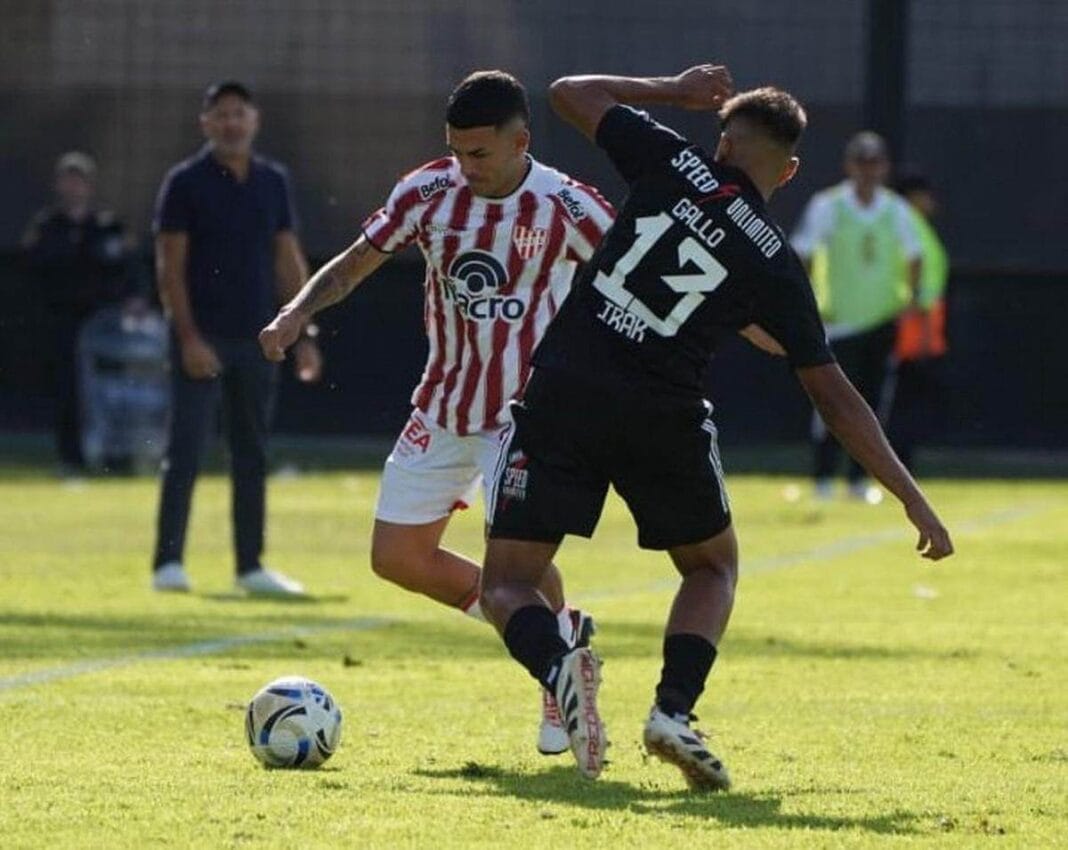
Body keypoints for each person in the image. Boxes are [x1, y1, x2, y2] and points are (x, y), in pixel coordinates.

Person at [477, 65, 954, 789]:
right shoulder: (777, 266)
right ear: (788, 171)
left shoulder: (675, 160)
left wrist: (673, 90)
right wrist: (910, 496)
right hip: (661, 414)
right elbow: (835, 397)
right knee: (712, 567)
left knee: (507, 586)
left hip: (568, 389)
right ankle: (673, 710)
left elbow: (569, 92)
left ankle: (557, 663)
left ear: (724, 142)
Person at [259, 70, 615, 756]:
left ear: (521, 142)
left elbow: (634, 272)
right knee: (397, 557)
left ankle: (555, 674)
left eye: (479, 154)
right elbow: (357, 261)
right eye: (456, 150)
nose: (465, 167)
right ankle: (559, 637)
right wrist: (295, 312)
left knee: (522, 560)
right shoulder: (428, 191)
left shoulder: (570, 207)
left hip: (528, 416)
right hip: (445, 403)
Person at [150, 81, 322, 596]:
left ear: (255, 120)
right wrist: (188, 338)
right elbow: (170, 268)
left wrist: (305, 328)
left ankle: (250, 566)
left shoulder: (273, 181)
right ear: (206, 122)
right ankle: (168, 563)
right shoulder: (184, 182)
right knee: (186, 449)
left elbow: (287, 258)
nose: (231, 123)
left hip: (258, 337)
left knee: (252, 451)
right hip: (202, 337)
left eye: (239, 114)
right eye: (220, 115)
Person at [791, 131, 923, 502]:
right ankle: (822, 477)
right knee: (831, 404)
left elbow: (914, 255)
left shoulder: (895, 209)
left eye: (874, 163)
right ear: (850, 166)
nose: (867, 171)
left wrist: (908, 300)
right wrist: (808, 300)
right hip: (838, 322)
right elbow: (803, 252)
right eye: (861, 163)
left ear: (884, 167)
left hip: (882, 318)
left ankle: (858, 481)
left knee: (873, 405)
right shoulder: (828, 206)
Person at [22, 152, 141, 475]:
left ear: (89, 186)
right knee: (68, 391)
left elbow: (129, 272)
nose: (73, 187)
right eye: (68, 180)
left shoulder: (108, 227)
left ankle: (115, 459)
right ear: (59, 185)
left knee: (111, 392)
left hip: (106, 327)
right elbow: (35, 273)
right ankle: (71, 459)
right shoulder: (47, 227)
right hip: (63, 325)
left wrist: (133, 300)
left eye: (80, 180)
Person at [886, 172, 950, 471]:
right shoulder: (907, 226)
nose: (931, 201)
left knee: (906, 401)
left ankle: (899, 462)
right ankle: (895, 464)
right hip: (910, 331)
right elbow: (918, 286)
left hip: (920, 328)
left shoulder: (916, 226)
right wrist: (923, 332)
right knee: (898, 402)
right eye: (924, 194)